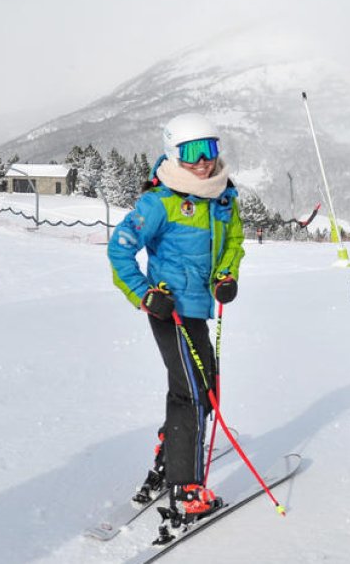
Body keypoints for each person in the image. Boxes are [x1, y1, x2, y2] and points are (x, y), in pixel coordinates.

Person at [107, 112, 244, 539]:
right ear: (173, 155)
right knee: (193, 393)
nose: (204, 161)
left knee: (202, 388)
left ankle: (170, 458)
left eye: (211, 149)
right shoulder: (160, 201)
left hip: (200, 310)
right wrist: (146, 295)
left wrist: (226, 275)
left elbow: (234, 241)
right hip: (170, 312)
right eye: (192, 153)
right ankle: (185, 491)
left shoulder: (222, 197)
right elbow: (119, 252)